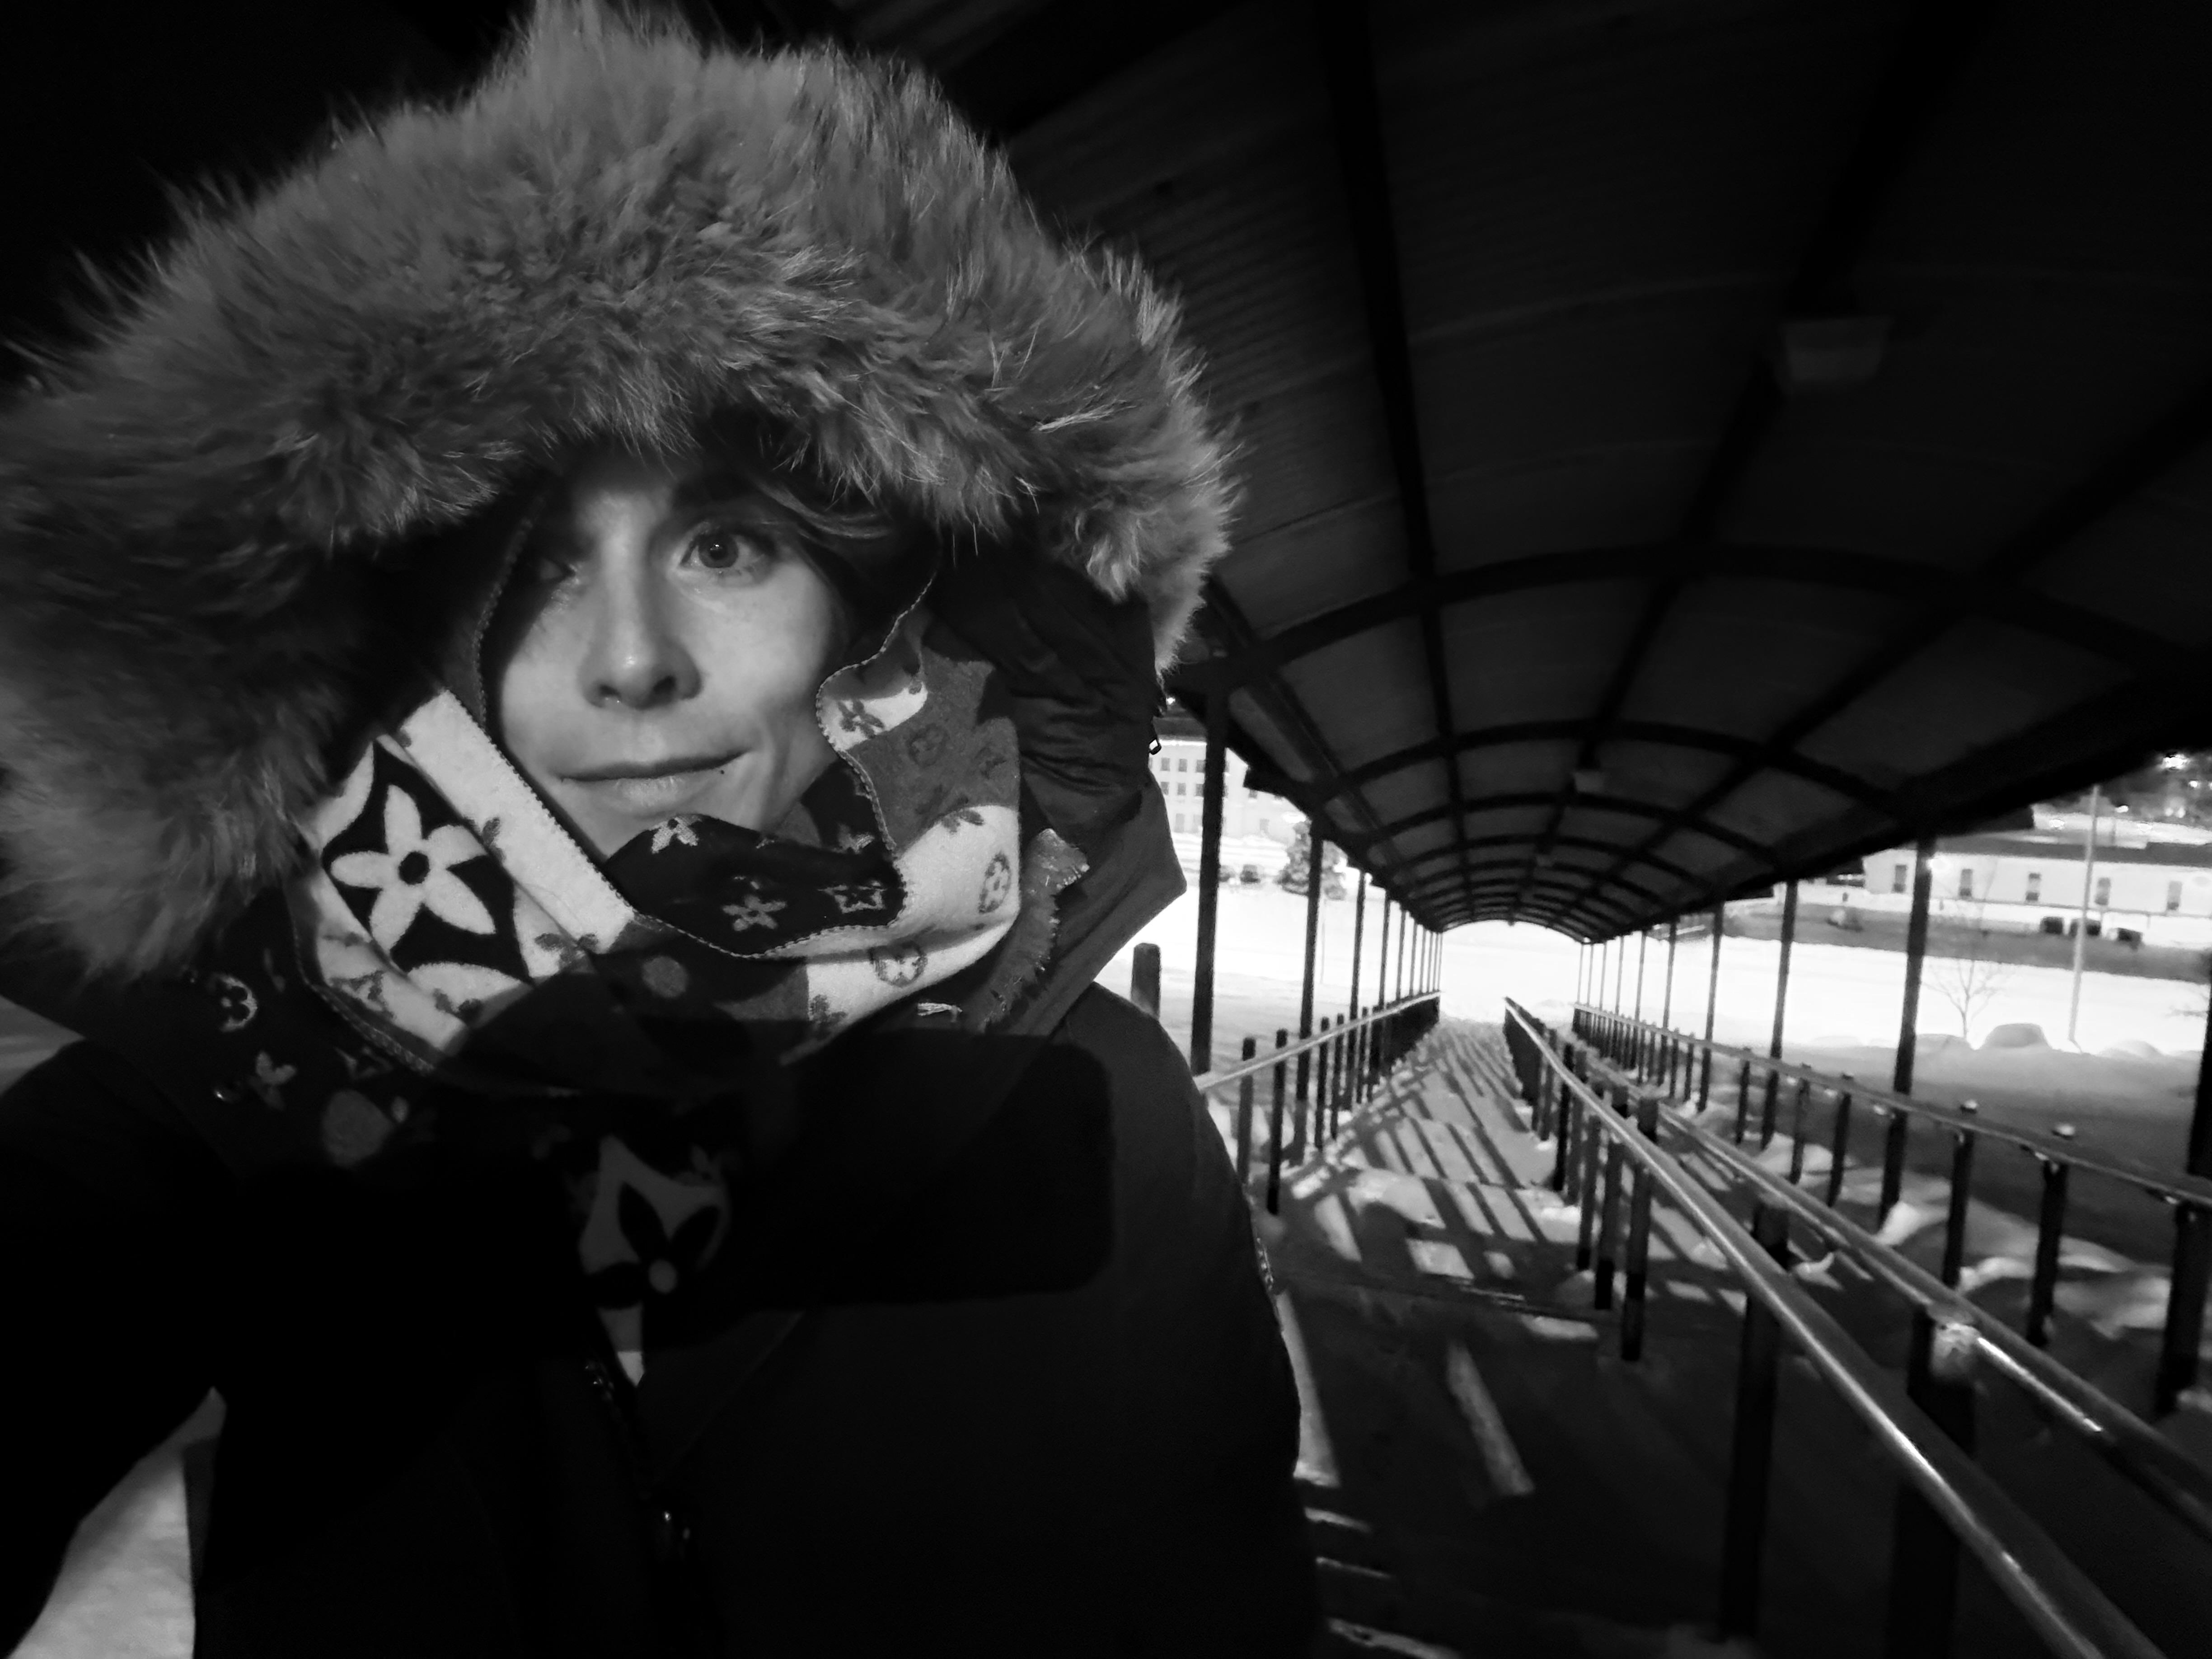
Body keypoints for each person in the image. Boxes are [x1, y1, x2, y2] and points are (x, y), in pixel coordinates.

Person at [0, 4, 1319, 1654]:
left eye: (728, 547)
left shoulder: (1100, 1114)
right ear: (416, 656)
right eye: (539, 568)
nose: (632, 662)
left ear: (874, 618)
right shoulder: (242, 1087)